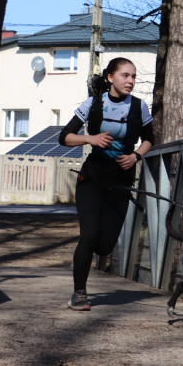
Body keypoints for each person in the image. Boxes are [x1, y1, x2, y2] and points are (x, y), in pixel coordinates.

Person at [58, 57, 154, 311]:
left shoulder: (139, 107)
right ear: (110, 77)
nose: (130, 81)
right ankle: (79, 294)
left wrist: (135, 156)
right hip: (92, 179)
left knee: (104, 246)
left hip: (121, 183)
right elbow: (64, 137)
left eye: (133, 76)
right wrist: (90, 138)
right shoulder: (94, 104)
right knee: (88, 236)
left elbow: (149, 139)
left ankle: (93, 260)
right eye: (125, 75)